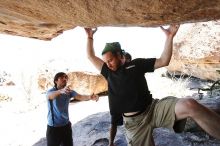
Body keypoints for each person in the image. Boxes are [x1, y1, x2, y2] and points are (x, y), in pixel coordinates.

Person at [84, 25, 220, 146]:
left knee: (190, 104)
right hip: (134, 124)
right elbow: (90, 56)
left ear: (119, 55)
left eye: (110, 60)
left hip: (153, 109)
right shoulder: (108, 72)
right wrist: (90, 37)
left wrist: (169, 37)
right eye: (105, 62)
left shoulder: (136, 64)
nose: (108, 64)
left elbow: (164, 61)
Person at [46, 72, 99, 146]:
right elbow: (49, 96)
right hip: (54, 127)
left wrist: (90, 97)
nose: (64, 79)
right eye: (62, 78)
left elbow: (80, 97)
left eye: (65, 77)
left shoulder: (69, 91)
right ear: (56, 81)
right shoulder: (51, 91)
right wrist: (60, 91)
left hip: (66, 125)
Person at [109, 51, 132, 146]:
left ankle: (131, 141)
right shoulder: (113, 71)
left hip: (129, 103)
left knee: (130, 123)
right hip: (117, 103)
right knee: (114, 123)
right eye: (124, 60)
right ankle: (111, 143)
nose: (125, 63)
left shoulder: (132, 71)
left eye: (128, 61)